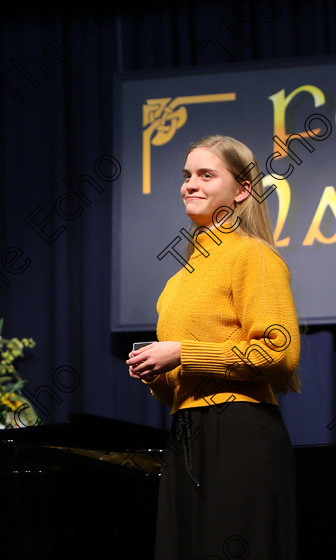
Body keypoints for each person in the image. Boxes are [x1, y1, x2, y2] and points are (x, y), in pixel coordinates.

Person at [126, 135, 301, 559]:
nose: (190, 184)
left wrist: (183, 353)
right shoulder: (177, 280)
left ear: (242, 190)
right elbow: (177, 383)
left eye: (207, 174)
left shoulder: (252, 256)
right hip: (185, 434)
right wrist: (157, 372)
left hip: (240, 432)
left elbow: (280, 352)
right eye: (187, 175)